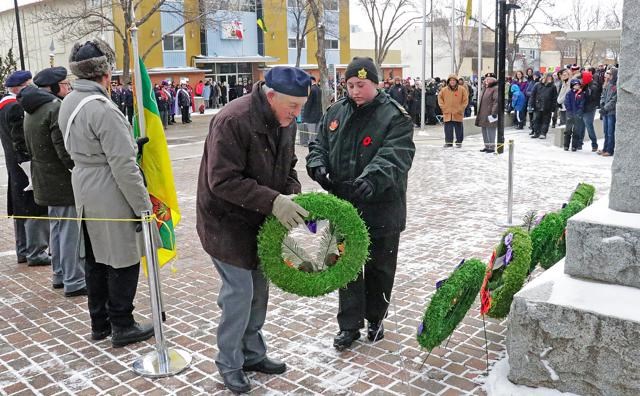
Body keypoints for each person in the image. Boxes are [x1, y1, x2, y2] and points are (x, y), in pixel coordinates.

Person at [196, 66, 310, 394]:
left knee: (259, 290)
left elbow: (288, 166)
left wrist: (290, 192)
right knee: (239, 294)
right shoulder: (233, 120)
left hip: (261, 220)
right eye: (293, 106)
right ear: (270, 95)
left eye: (301, 106)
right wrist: (275, 201)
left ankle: (253, 353)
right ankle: (229, 363)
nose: (297, 113)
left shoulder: (285, 119)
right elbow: (222, 180)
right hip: (225, 223)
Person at [306, 57, 415, 351]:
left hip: (381, 206)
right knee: (347, 268)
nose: (354, 90)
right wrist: (317, 166)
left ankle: (376, 319)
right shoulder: (336, 112)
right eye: (350, 84)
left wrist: (372, 179)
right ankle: (348, 326)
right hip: (345, 206)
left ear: (376, 84)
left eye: (361, 85)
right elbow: (319, 145)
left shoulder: (395, 117)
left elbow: (396, 155)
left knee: (380, 267)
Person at [58, 38, 155, 348]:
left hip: (85, 188)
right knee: (123, 259)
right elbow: (124, 168)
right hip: (109, 189)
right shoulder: (103, 108)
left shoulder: (70, 101)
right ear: (104, 73)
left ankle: (99, 322)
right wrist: (143, 207)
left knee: (96, 260)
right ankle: (122, 324)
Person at [19, 66, 87, 296]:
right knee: (69, 231)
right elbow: (63, 150)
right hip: (60, 180)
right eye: (64, 84)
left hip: (44, 179)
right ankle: (74, 279)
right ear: (54, 87)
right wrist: (77, 169)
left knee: (57, 228)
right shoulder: (54, 108)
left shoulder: (32, 109)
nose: (67, 88)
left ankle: (59, 273)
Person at [0, 70, 51, 266]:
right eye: (29, 84)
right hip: (25, 165)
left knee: (21, 208)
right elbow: (21, 139)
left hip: (15, 166)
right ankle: (35, 251)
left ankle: (23, 249)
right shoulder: (15, 107)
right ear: (18, 88)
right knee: (32, 208)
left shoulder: (5, 105)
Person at [438, 74, 468, 147]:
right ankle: (448, 142)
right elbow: (440, 99)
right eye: (451, 80)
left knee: (459, 129)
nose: (452, 82)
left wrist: (461, 109)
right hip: (447, 113)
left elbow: (465, 100)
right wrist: (443, 108)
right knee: (448, 129)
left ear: (456, 81)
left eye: (454, 80)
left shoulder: (462, 89)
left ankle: (459, 142)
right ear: (448, 81)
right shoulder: (444, 90)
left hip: (458, 113)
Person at [528, 72, 558, 139]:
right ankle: (536, 132)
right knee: (536, 120)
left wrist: (553, 107)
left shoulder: (553, 86)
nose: (549, 79)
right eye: (548, 77)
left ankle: (543, 133)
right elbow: (533, 95)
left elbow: (554, 98)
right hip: (537, 105)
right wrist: (531, 104)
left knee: (546, 120)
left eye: (550, 77)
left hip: (548, 106)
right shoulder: (537, 85)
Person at [475, 73, 498, 153]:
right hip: (483, 112)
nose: (487, 80)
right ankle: (486, 145)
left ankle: (491, 147)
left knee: (491, 129)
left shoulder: (495, 88)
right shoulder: (484, 88)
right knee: (484, 129)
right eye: (486, 79)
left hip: (490, 113)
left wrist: (494, 112)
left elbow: (496, 101)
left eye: (489, 78)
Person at [599, 67, 617, 157]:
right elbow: (603, 95)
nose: (608, 75)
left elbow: (614, 100)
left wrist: (605, 108)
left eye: (610, 74)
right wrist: (602, 105)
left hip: (611, 112)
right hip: (605, 112)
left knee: (610, 132)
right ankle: (605, 148)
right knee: (606, 132)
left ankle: (610, 150)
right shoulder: (607, 84)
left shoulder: (615, 86)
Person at [563, 79, 585, 151]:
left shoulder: (581, 94)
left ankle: (574, 146)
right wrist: (569, 111)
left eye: (578, 85)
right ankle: (566, 145)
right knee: (568, 130)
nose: (577, 86)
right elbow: (567, 102)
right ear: (572, 86)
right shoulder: (569, 93)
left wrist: (579, 111)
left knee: (576, 131)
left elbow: (582, 103)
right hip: (570, 114)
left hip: (577, 114)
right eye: (575, 85)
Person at [581, 70, 600, 152]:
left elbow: (592, 99)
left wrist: (584, 93)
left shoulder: (593, 86)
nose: (581, 80)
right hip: (583, 108)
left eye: (583, 78)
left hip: (589, 109)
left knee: (589, 126)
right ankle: (579, 143)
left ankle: (594, 144)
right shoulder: (586, 85)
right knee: (581, 126)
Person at [301, 76, 322, 146]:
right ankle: (316, 147)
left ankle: (312, 148)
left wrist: (304, 117)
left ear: (311, 81)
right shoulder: (319, 89)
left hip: (310, 116)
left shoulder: (311, 90)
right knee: (316, 134)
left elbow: (308, 104)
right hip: (318, 115)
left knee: (311, 135)